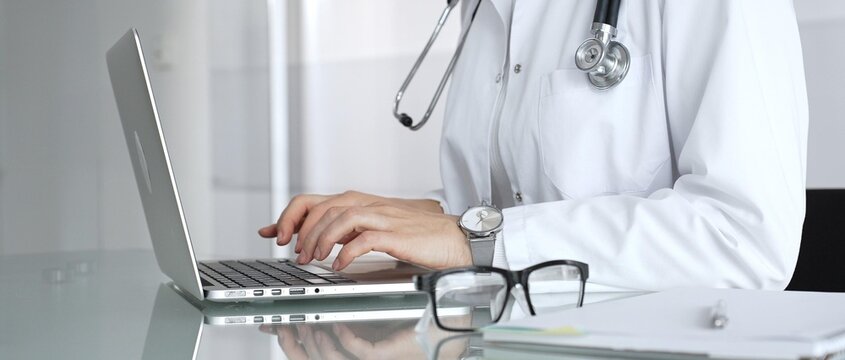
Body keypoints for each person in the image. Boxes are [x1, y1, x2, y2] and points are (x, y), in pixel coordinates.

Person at [258, 0, 808, 291]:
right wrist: (420, 218)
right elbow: (508, 204)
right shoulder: (484, 7)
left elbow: (744, 239)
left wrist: (470, 236)